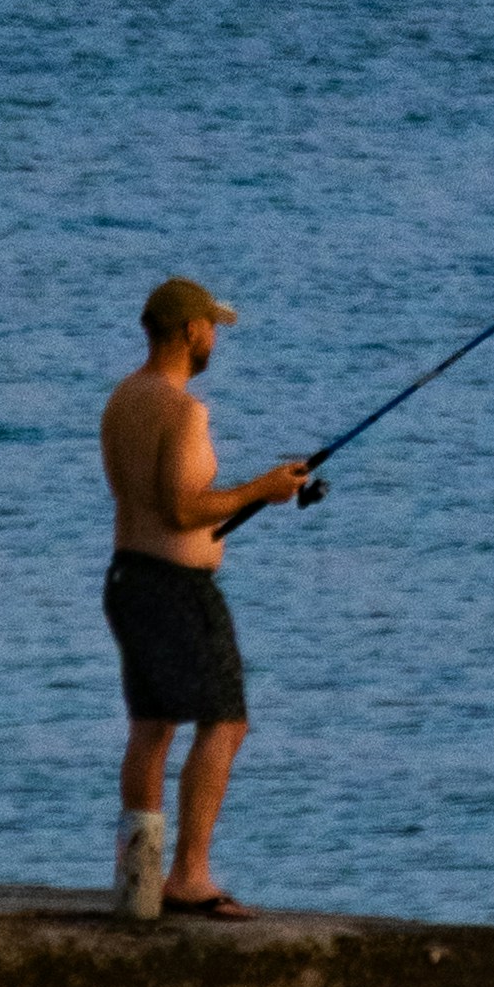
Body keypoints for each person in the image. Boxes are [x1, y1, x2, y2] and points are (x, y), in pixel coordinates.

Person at [99, 282, 311, 916]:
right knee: (226, 720)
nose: (215, 339)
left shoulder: (122, 400)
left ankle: (138, 884)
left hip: (127, 580)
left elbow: (149, 505)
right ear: (190, 331)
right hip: (176, 590)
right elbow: (184, 507)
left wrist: (260, 492)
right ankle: (189, 876)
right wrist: (262, 490)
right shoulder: (182, 410)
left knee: (153, 727)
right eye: (211, 328)